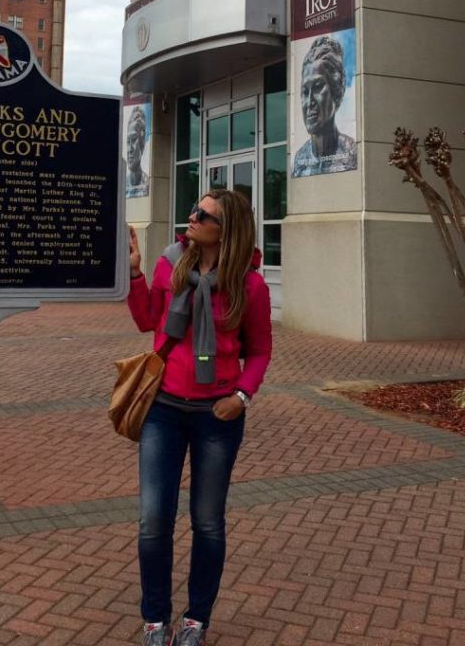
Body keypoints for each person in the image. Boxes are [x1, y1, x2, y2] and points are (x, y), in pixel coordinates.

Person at [127, 190, 273, 646]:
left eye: (203, 214)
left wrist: (243, 395)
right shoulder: (172, 264)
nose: (191, 217)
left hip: (217, 415)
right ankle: (155, 619)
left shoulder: (250, 286)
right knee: (154, 519)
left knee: (207, 521)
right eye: (194, 208)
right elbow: (147, 318)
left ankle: (195, 620)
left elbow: (260, 350)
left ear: (225, 230)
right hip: (163, 410)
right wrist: (134, 273)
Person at [291, 34, 357, 177]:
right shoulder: (299, 160)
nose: (309, 102)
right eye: (304, 91)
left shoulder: (351, 152)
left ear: (336, 91)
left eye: (318, 87)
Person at [126, 105, 150, 197]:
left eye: (134, 139)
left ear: (142, 143)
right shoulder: (122, 184)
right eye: (128, 141)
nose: (129, 149)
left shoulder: (147, 182)